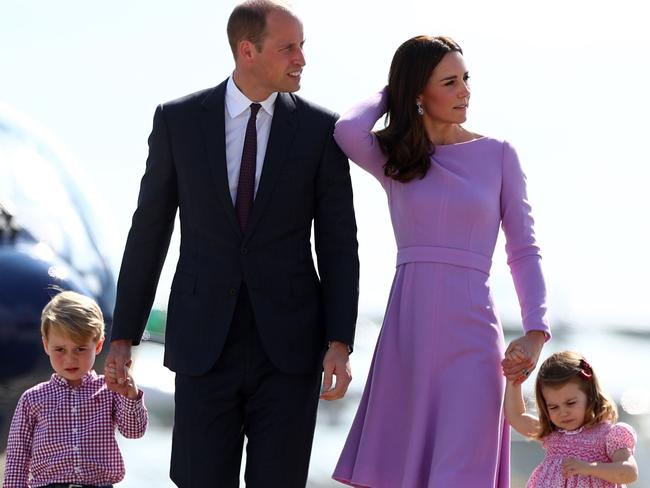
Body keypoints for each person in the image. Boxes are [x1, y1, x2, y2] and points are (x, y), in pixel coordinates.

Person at [104, 1, 359, 487]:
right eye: (289, 48)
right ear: (247, 50)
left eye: (302, 47)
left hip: (289, 347)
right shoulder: (178, 121)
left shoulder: (320, 131)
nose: (301, 58)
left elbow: (339, 244)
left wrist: (339, 341)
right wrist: (123, 336)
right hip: (203, 343)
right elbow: (149, 232)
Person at [331, 35, 550, 487]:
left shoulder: (498, 155)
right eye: (449, 82)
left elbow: (523, 248)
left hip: (472, 335)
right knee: (400, 472)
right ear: (418, 92)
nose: (465, 91)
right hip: (407, 335)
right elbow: (348, 130)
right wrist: (394, 91)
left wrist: (534, 331)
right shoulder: (397, 157)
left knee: (461, 472)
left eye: (466, 78)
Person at [3, 290, 147, 488]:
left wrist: (130, 396)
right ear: (46, 345)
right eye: (60, 349)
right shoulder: (32, 398)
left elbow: (134, 431)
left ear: (98, 345)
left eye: (80, 349)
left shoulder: (111, 390)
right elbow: (17, 457)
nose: (70, 359)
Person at [505, 351, 638, 486]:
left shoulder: (609, 435)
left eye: (570, 403)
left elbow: (629, 472)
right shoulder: (552, 432)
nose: (563, 413)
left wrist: (589, 468)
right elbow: (516, 417)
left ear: (590, 395)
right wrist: (514, 379)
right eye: (553, 407)